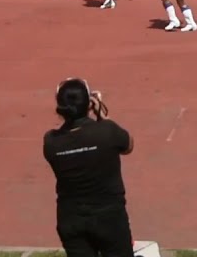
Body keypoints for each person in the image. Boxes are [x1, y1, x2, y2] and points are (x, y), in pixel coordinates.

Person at [44, 79, 135, 257]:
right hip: (109, 218)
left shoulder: (51, 141)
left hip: (71, 220)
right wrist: (102, 115)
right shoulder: (107, 131)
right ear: (89, 103)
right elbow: (128, 146)